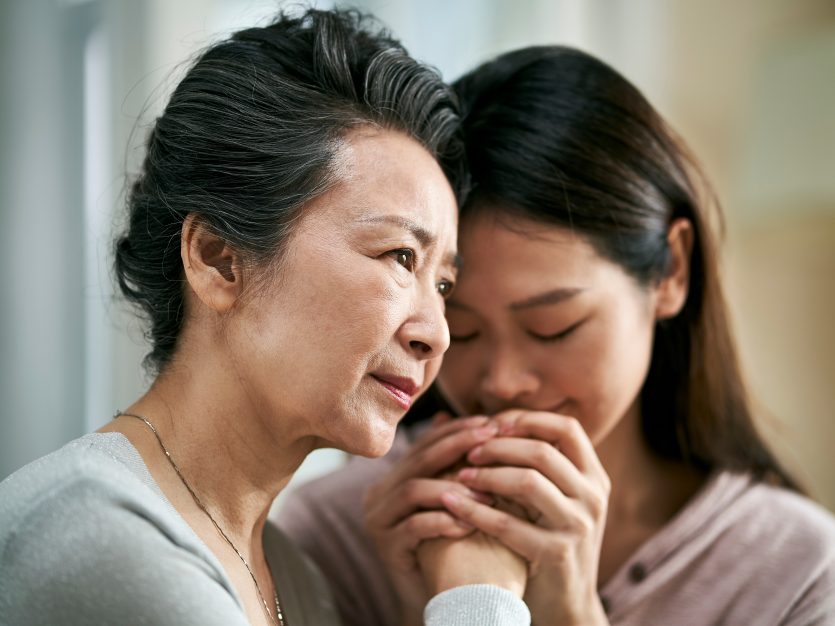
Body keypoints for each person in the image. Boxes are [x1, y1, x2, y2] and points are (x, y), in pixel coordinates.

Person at [0, 10, 532, 626]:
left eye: (442, 284)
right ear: (218, 259)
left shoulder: (291, 575)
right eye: (400, 257)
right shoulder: (101, 542)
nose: (435, 331)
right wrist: (481, 599)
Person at [277, 46, 835, 625]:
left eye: (553, 328)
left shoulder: (799, 574)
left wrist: (572, 614)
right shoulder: (333, 535)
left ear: (671, 270)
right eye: (460, 329)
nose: (501, 381)